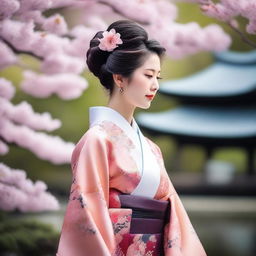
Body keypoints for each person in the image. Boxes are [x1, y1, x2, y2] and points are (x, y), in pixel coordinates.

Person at [56, 19, 207, 256]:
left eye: (158, 77)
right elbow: (87, 214)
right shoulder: (96, 140)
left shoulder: (151, 149)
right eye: (148, 75)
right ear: (119, 78)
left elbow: (174, 213)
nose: (155, 85)